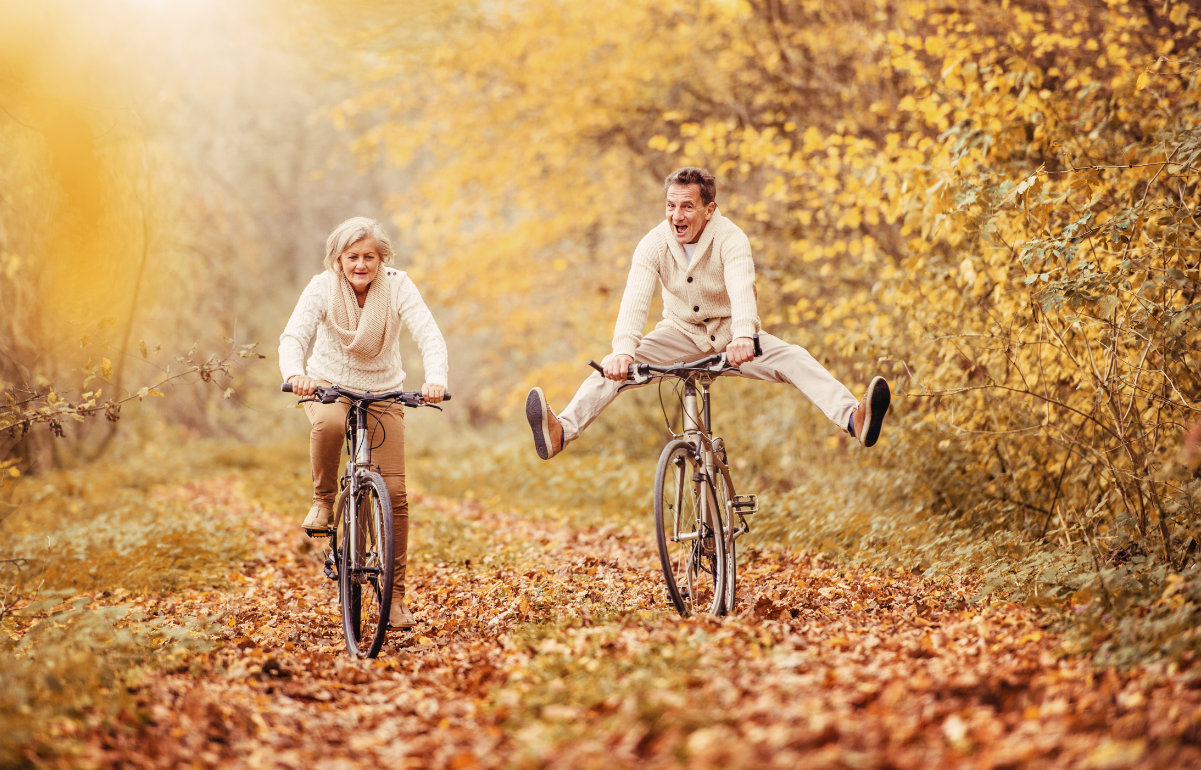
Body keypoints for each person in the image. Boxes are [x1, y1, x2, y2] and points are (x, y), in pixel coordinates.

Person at [525, 166, 890, 459]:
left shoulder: (731, 239)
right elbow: (635, 300)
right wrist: (623, 350)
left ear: (708, 209)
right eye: (670, 206)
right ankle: (560, 432)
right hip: (679, 333)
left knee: (794, 358)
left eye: (686, 206)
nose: (676, 215)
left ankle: (852, 418)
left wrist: (745, 335)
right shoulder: (653, 244)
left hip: (734, 335)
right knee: (610, 369)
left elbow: (741, 286)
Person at [279, 216, 448, 630]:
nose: (361, 264)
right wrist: (294, 373)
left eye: (369, 256)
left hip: (384, 391)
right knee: (331, 425)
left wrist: (436, 380)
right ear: (338, 259)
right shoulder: (322, 287)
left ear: (382, 258)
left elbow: (429, 334)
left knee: (394, 492)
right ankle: (322, 502)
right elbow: (293, 337)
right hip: (327, 386)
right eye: (352, 256)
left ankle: (395, 598)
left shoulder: (399, 286)